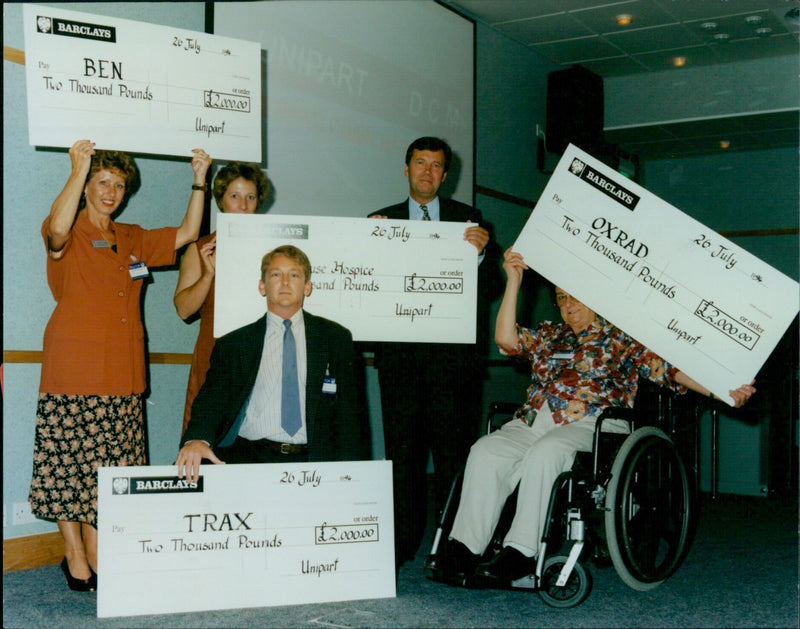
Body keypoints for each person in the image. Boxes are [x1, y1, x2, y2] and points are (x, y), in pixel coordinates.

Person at [436, 247, 757, 582]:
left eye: (576, 297)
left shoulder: (622, 338)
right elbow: (505, 338)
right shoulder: (549, 334)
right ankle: (464, 548)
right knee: (485, 451)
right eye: (561, 298)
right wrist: (514, 279)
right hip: (535, 420)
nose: (568, 306)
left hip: (593, 423)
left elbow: (670, 370)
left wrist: (723, 390)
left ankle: (520, 552)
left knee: (548, 452)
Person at [29, 139, 211, 591]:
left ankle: (96, 550)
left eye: (119, 184)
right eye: (102, 182)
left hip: (124, 373)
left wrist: (199, 179)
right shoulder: (66, 232)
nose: (110, 191)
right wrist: (77, 168)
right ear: (87, 186)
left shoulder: (131, 237)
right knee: (68, 469)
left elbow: (188, 232)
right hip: (73, 368)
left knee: (107, 472)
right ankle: (76, 555)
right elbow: (54, 229)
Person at [368, 136, 499, 567]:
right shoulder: (379, 221)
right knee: (401, 459)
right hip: (400, 364)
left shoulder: (471, 220)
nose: (427, 172)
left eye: (436, 165)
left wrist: (479, 258)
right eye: (420, 163)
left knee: (453, 458)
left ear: (446, 174)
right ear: (405, 170)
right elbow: (366, 287)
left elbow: (494, 289)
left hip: (453, 368)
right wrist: (367, 245)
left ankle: (453, 546)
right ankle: (402, 545)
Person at [175, 245, 370, 484]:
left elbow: (351, 415)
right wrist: (197, 439)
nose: (285, 282)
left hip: (316, 462)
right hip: (252, 458)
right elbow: (211, 400)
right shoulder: (234, 344)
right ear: (262, 286)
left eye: (295, 275)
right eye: (276, 275)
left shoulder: (335, 338)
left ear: (307, 287)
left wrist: (354, 476)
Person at [174, 162, 270, 434]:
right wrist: (207, 275)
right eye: (235, 196)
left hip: (262, 356)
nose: (243, 205)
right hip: (215, 355)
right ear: (221, 201)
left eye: (250, 197)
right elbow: (183, 310)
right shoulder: (202, 247)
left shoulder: (273, 249)